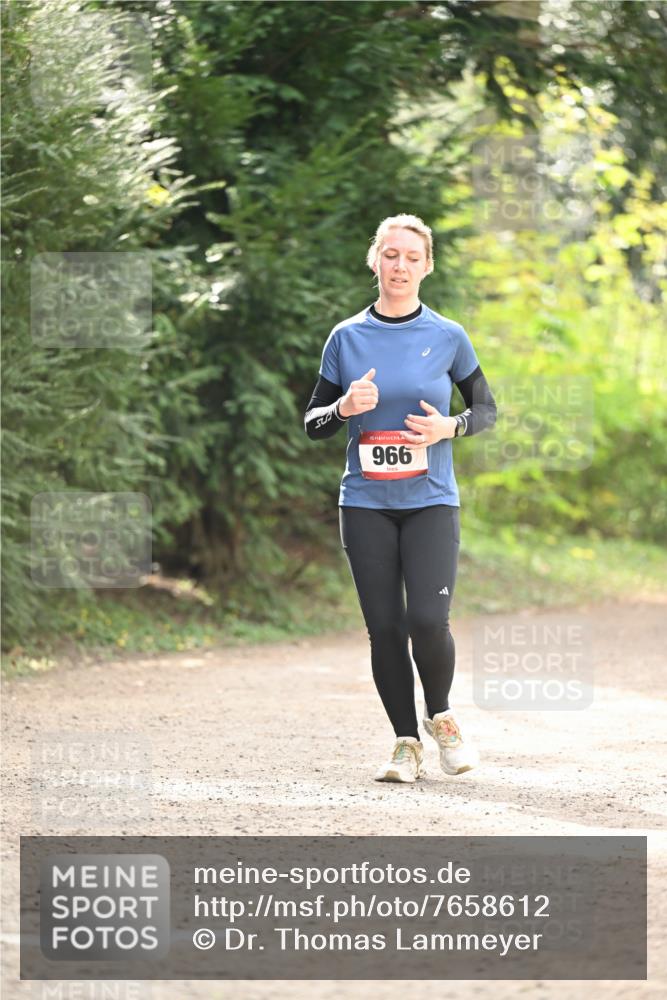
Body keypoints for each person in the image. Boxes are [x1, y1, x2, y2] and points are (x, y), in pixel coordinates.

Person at [304, 214, 497, 783]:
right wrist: (343, 409)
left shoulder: (448, 335)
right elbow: (313, 422)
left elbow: (485, 409)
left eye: (412, 257)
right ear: (375, 262)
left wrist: (450, 429)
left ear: (427, 266)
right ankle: (405, 742)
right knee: (384, 626)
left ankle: (441, 717)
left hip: (431, 499)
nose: (400, 266)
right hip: (364, 503)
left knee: (428, 619)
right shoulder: (346, 337)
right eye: (391, 255)